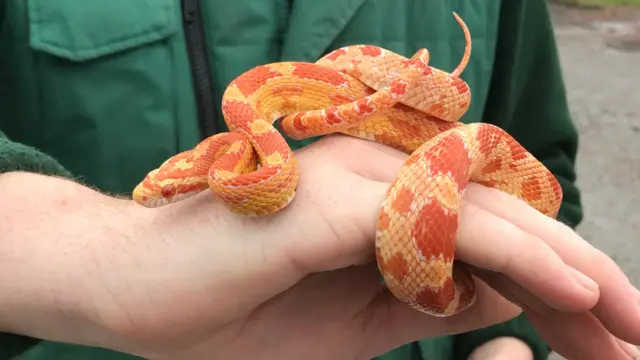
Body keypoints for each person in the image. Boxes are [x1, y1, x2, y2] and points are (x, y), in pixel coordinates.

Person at [0, 0, 638, 359]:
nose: (156, 200)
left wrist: (504, 344)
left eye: (167, 190)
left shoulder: (255, 129)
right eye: (168, 191)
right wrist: (94, 254)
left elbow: (544, 188)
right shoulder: (255, 138)